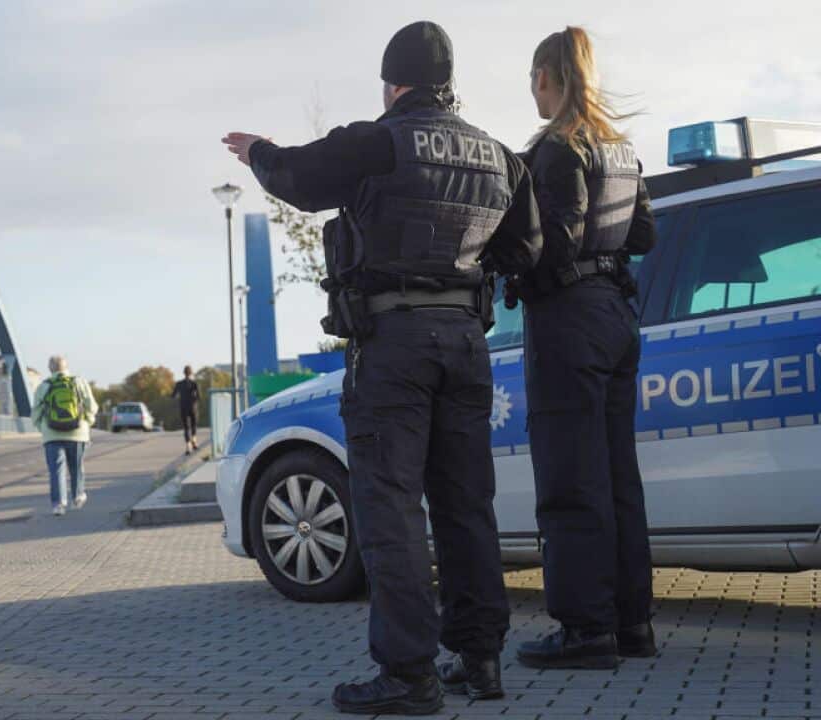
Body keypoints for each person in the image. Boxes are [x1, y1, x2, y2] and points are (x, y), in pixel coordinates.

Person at [224, 20, 541, 714]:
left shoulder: (378, 139)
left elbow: (298, 178)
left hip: (395, 345)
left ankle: (408, 676)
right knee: (465, 506)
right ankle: (481, 661)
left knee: (390, 510)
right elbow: (526, 249)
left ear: (393, 82)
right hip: (466, 342)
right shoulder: (498, 156)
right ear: (447, 83)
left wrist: (257, 152)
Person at [512, 27, 659, 670]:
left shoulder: (556, 149)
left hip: (569, 324)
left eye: (534, 80)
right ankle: (634, 625)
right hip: (616, 319)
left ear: (550, 76)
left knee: (573, 482)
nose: (534, 94)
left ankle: (585, 632)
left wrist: (519, 272)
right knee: (618, 478)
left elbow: (559, 242)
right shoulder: (620, 150)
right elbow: (646, 235)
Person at [31, 355, 98, 516]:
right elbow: (92, 406)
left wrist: (44, 428)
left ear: (50, 369)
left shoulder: (44, 386)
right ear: (66, 367)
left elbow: (36, 413)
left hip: (52, 434)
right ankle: (78, 496)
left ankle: (59, 504)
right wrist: (87, 422)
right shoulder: (78, 382)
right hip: (77, 433)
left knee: (56, 470)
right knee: (76, 467)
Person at [171, 366, 201, 454]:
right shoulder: (194, 383)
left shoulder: (179, 384)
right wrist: (194, 398)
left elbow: (173, 395)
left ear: (184, 373)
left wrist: (179, 397)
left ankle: (188, 447)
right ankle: (194, 441)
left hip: (183, 407)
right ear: (191, 373)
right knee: (193, 425)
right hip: (193, 407)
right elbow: (199, 397)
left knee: (186, 427)